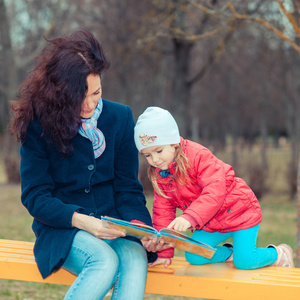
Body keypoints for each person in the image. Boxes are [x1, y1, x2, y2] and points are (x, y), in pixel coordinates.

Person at [9, 30, 158, 300]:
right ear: (61, 92)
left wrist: (142, 229)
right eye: (81, 96)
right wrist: (83, 221)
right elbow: (35, 196)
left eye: (96, 93)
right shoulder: (38, 124)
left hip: (114, 226)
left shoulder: (120, 117)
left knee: (136, 258)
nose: (90, 104)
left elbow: (128, 190)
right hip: (63, 228)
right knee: (104, 261)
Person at [134, 106, 295, 270]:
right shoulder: (161, 174)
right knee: (194, 255)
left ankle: (278, 253)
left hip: (240, 213)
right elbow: (163, 211)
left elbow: (214, 192)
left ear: (174, 142)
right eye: (147, 155)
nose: (154, 159)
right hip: (211, 222)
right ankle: (229, 254)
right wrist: (164, 254)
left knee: (245, 261)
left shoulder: (198, 156)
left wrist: (189, 217)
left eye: (158, 150)